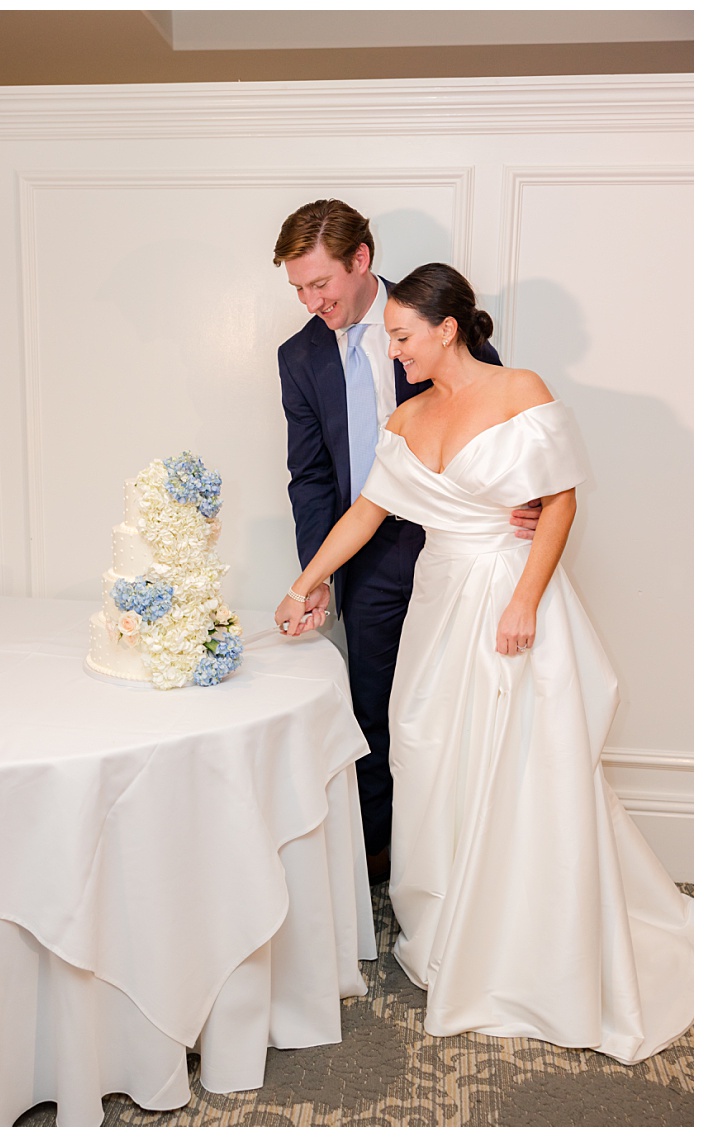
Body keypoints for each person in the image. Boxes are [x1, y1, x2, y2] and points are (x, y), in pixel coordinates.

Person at [273, 262, 692, 1062]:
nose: (393, 353)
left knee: (521, 759)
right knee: (429, 749)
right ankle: (453, 914)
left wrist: (527, 598)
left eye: (402, 337)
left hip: (507, 594)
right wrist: (305, 582)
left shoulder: (520, 389)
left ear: (445, 328)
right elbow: (366, 511)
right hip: (440, 601)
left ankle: (530, 931)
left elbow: (561, 497)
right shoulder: (408, 421)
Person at [272, 200, 527, 885]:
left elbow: (499, 418)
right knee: (378, 706)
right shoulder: (299, 356)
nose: (310, 300)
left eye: (319, 282)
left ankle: (475, 851)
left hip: (463, 546)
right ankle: (385, 862)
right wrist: (317, 570)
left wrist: (521, 500)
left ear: (361, 260)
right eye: (297, 287)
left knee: (467, 696)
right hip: (368, 555)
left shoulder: (437, 320)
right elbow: (311, 476)